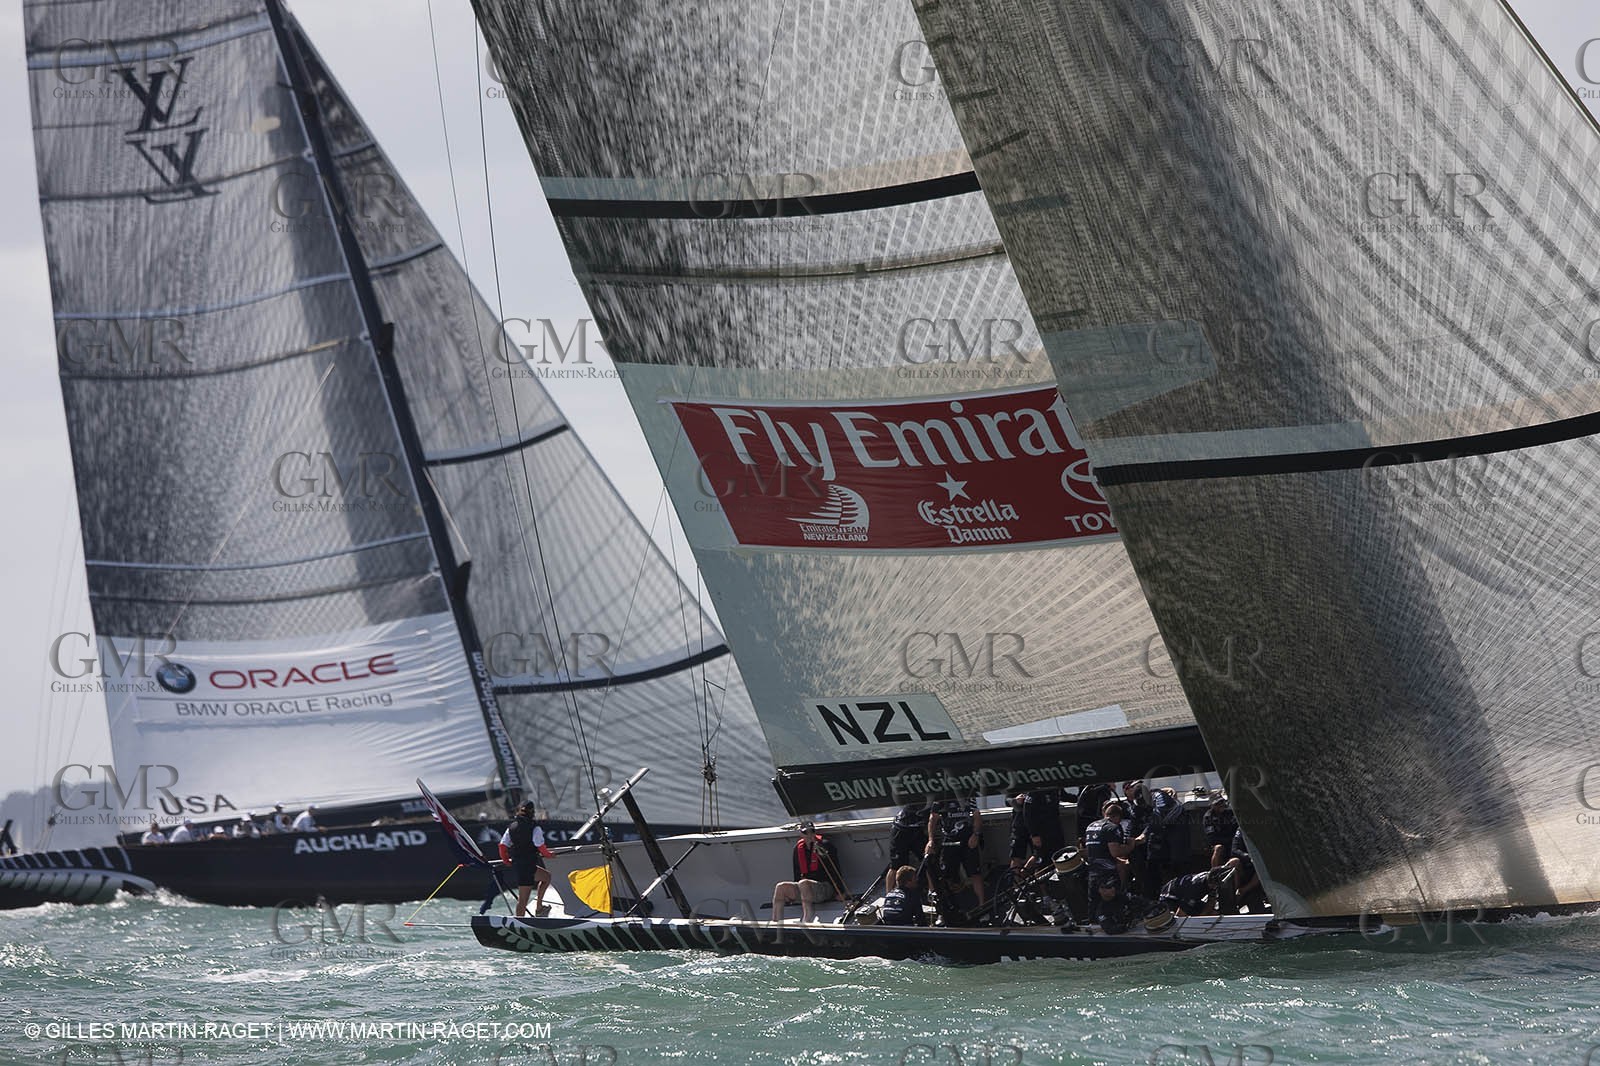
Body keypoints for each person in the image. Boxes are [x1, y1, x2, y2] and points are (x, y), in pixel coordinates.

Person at [927, 796, 985, 914]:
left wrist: (976, 835)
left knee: (975, 873)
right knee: (945, 876)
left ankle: (982, 907)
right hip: (949, 840)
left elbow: (977, 815)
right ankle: (945, 910)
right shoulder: (941, 797)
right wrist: (930, 840)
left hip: (967, 840)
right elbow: (933, 818)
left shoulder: (968, 796)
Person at [772, 821, 841, 923]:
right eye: (806, 832)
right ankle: (775, 921)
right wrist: (795, 893)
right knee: (780, 886)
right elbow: (797, 873)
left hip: (825, 888)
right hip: (806, 890)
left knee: (803, 883)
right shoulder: (798, 849)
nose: (809, 835)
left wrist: (840, 891)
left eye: (811, 831)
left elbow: (835, 869)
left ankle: (807, 918)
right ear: (801, 834)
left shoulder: (825, 845)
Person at [1082, 801, 1143, 892]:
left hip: (1093, 872)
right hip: (1107, 873)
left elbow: (1097, 850)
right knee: (1113, 901)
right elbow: (1116, 852)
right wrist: (1131, 845)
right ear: (1118, 816)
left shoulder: (1091, 826)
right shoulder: (1112, 827)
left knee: (1094, 902)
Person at [507, 802, 554, 918]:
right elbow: (540, 845)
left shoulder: (511, 827)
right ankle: (519, 922)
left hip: (522, 864)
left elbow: (502, 845)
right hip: (527, 866)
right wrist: (548, 855)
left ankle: (539, 908)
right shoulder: (535, 827)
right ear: (532, 812)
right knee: (523, 899)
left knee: (546, 877)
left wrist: (506, 861)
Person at [1157, 869, 1231, 917]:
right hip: (1170, 898)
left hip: (1189, 897)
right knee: (1176, 917)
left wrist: (1205, 915)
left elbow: (1210, 904)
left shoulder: (1211, 882)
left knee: (1214, 913)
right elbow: (1180, 914)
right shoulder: (1195, 888)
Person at [1203, 797, 1238, 870]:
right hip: (1216, 843)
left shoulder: (1229, 813)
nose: (1221, 805)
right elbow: (1212, 837)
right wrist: (1228, 840)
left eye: (1222, 803)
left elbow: (1236, 826)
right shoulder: (1208, 817)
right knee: (1219, 848)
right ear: (1213, 806)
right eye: (1218, 804)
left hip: (1232, 840)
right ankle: (1214, 871)